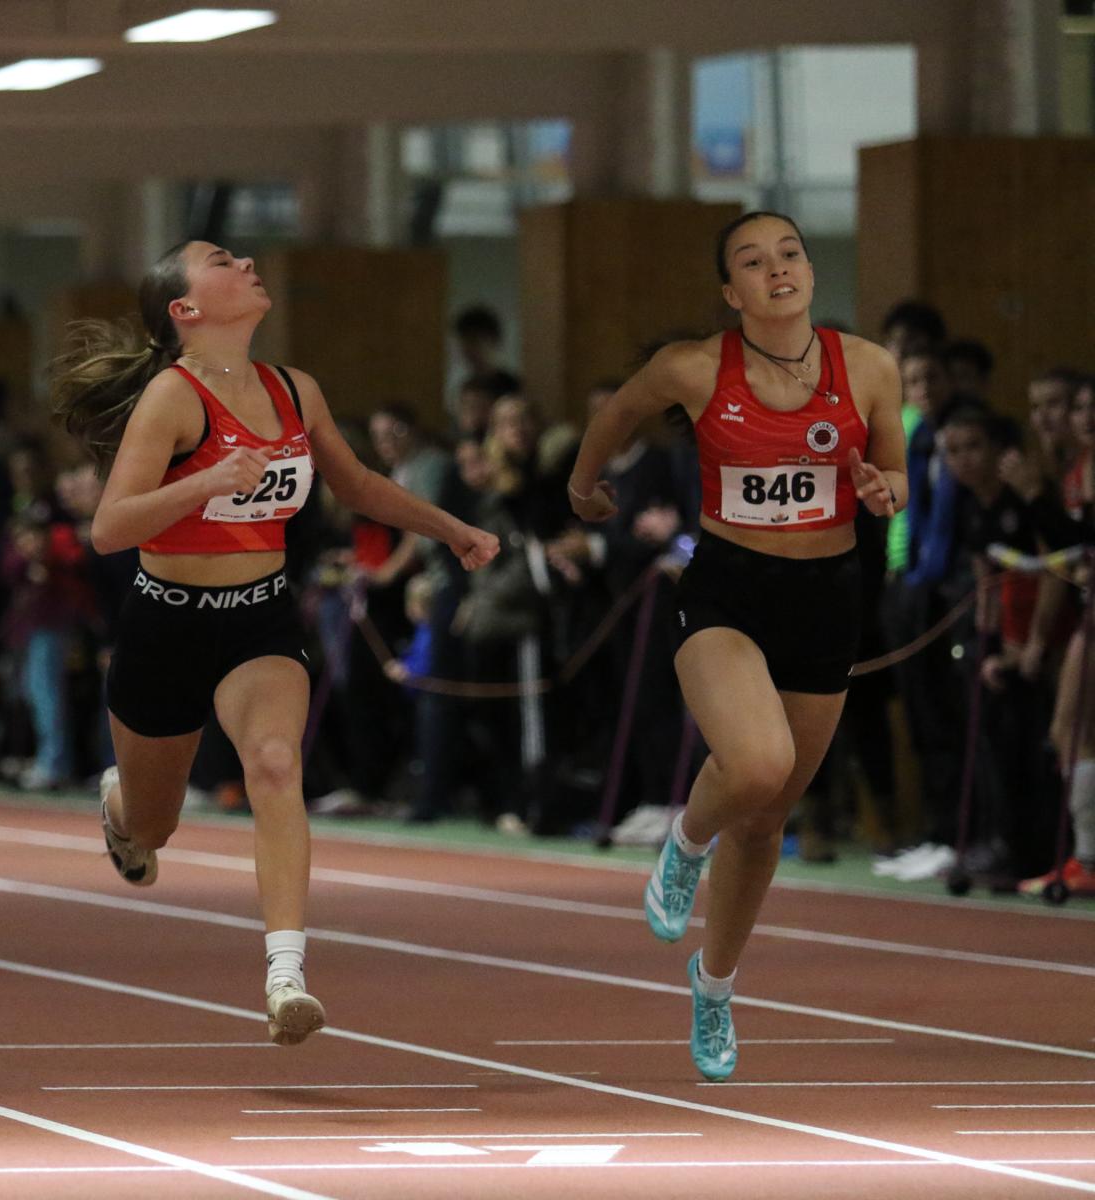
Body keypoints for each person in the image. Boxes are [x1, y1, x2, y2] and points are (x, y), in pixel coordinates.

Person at [51, 240, 499, 1045]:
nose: (244, 262)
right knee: (154, 829)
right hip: (166, 624)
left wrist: (451, 529)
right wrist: (206, 481)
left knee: (274, 764)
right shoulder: (172, 397)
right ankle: (121, 806)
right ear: (186, 309)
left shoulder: (294, 389)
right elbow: (110, 528)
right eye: (221, 260)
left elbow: (357, 485)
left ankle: (285, 975)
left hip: (259, 618)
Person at [565, 211, 906, 1080]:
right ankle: (685, 844)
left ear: (810, 271)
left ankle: (713, 986)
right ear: (731, 292)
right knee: (755, 764)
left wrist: (883, 489)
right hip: (727, 591)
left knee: (767, 817)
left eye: (790, 253)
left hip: (827, 599)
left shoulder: (869, 366)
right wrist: (582, 486)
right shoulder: (693, 366)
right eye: (753, 262)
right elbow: (618, 412)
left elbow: (897, 475)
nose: (777, 269)